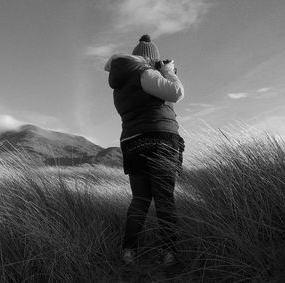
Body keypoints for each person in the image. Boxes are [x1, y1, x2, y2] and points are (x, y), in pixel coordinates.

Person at [104, 34, 185, 266]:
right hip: (160, 139)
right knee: (164, 199)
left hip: (132, 141)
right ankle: (169, 253)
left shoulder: (119, 85)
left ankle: (128, 251)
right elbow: (176, 93)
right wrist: (168, 71)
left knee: (140, 199)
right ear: (150, 59)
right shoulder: (146, 73)